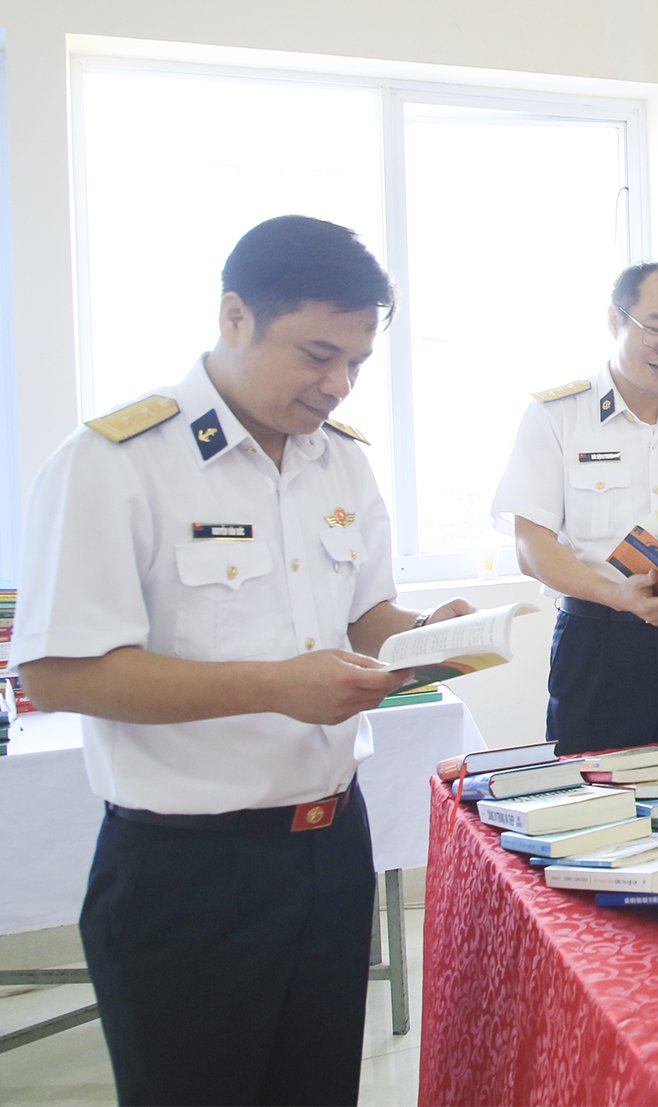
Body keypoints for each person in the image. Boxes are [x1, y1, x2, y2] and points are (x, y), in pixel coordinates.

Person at [12, 215, 472, 1105]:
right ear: (234, 317)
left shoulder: (340, 463)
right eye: (317, 354)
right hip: (187, 870)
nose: (337, 384)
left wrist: (429, 633)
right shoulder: (115, 462)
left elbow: (364, 614)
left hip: (329, 846)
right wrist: (274, 687)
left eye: (356, 363)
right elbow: (59, 672)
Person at [493, 261, 658, 754]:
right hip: (599, 643)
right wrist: (617, 595)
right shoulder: (558, 417)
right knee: (596, 787)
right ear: (615, 319)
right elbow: (531, 545)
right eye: (657, 329)